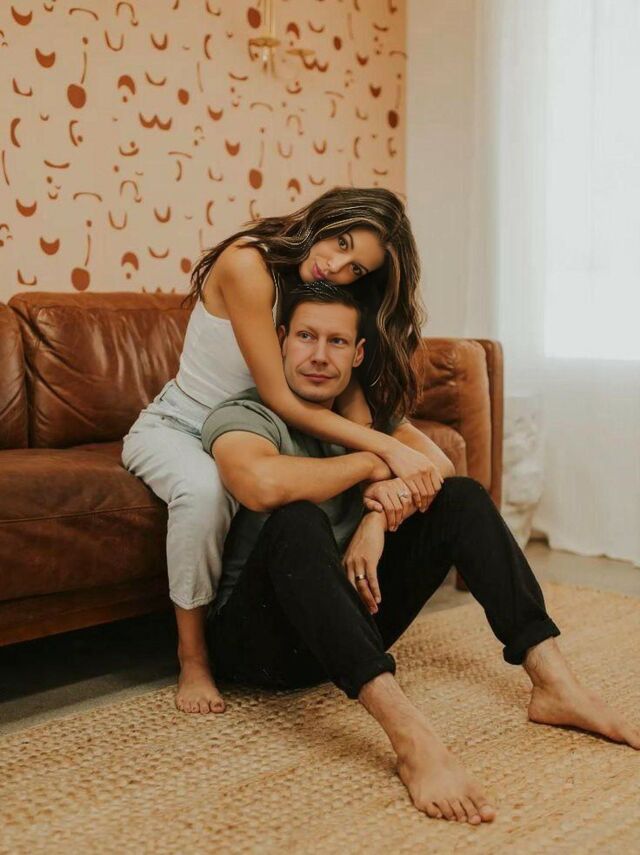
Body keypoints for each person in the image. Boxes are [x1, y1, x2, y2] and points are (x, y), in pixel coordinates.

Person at [202, 282, 640, 825]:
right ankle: (411, 737)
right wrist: (374, 465)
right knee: (297, 518)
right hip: (258, 643)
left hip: (347, 619)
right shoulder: (247, 413)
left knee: (462, 499)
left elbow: (439, 469)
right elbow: (261, 484)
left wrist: (376, 520)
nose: (319, 355)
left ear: (358, 354)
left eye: (337, 341)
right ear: (281, 340)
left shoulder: (367, 415)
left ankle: (555, 683)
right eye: (306, 337)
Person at [122, 187, 449, 714]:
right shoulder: (247, 264)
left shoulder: (317, 291)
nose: (336, 266)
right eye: (341, 242)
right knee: (204, 493)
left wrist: (379, 499)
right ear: (325, 217)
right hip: (181, 425)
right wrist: (388, 451)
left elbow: (355, 411)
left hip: (254, 430)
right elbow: (280, 397)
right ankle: (193, 658)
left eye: (356, 269)